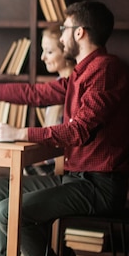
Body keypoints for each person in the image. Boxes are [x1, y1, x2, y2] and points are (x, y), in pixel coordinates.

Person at [0, 1, 129, 256]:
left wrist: (20, 133)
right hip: (76, 178)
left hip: (98, 185)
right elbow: (35, 94)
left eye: (64, 29)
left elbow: (77, 131)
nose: (60, 37)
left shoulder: (106, 71)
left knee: (8, 211)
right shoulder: (82, 72)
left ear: (80, 33)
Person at [24, 24, 75, 176]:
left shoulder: (71, 86)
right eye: (43, 50)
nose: (42, 57)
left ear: (66, 52)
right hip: (52, 161)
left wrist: (46, 160)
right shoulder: (59, 82)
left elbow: (69, 139)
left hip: (62, 169)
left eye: (50, 51)